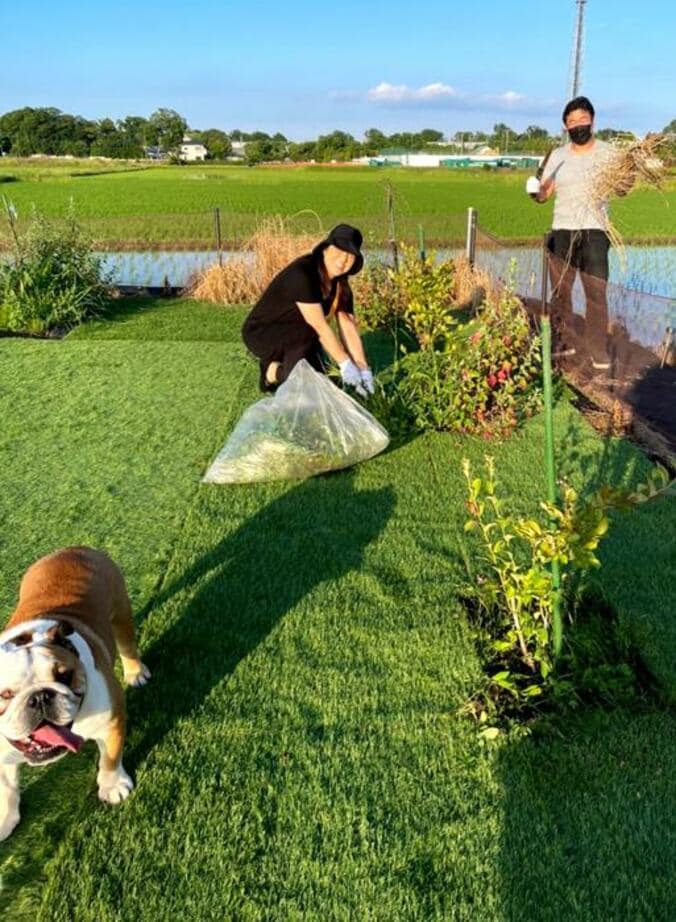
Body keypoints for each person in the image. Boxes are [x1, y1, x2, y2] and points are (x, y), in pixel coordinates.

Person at [526, 96, 620, 370]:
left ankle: (597, 349)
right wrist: (535, 191)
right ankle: (562, 343)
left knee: (596, 292)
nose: (577, 125)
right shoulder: (557, 156)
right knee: (561, 292)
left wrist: (628, 176)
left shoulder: (609, 153)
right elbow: (545, 194)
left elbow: (622, 187)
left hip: (595, 230)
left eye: (582, 119)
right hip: (563, 230)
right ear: (565, 126)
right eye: (571, 121)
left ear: (592, 120)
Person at [241, 224, 375, 395]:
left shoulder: (341, 284)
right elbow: (318, 326)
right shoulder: (303, 274)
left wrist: (363, 369)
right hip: (263, 332)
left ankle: (292, 367)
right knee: (303, 380)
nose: (343, 261)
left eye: (349, 256)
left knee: (319, 375)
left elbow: (347, 325)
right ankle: (270, 372)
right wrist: (345, 364)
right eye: (339, 252)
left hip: (299, 333)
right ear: (325, 249)